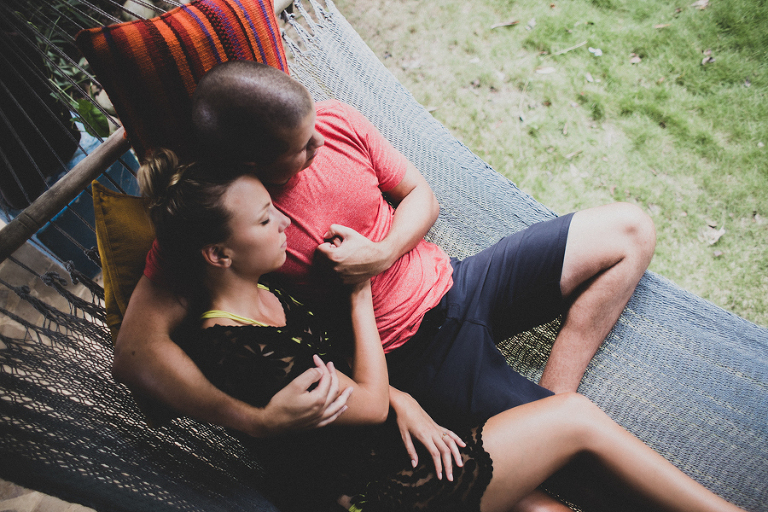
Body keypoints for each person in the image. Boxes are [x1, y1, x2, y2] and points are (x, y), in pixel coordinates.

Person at [114, 61, 654, 509]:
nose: (319, 144)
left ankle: (552, 396)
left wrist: (383, 253)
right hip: (414, 352)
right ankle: (548, 421)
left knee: (629, 230)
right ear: (252, 161)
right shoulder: (228, 217)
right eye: (301, 147)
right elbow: (137, 354)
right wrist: (255, 422)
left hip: (459, 280)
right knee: (583, 472)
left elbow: (421, 194)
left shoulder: (334, 123)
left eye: (315, 128)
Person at [136, 150, 743, 512]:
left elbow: (354, 392)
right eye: (268, 219)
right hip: (380, 486)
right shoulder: (235, 339)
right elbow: (359, 403)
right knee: (575, 423)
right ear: (218, 254)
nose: (285, 224)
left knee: (536, 498)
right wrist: (358, 297)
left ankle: (543, 419)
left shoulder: (265, 296)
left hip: (393, 438)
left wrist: (401, 401)